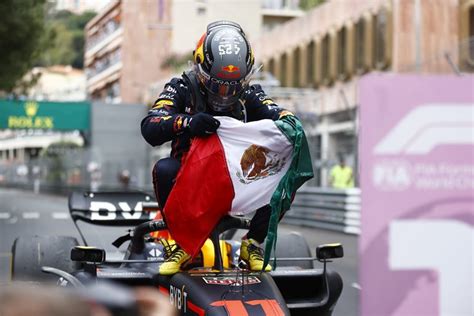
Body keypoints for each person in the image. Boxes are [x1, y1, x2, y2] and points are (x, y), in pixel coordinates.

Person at [141, 20, 295, 275]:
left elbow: (281, 115)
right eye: (218, 85)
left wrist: (290, 123)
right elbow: (150, 125)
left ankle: (253, 243)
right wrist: (187, 122)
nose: (224, 94)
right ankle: (181, 243)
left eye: (231, 87)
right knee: (164, 168)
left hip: (238, 183)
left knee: (287, 169)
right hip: (191, 186)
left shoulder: (250, 94)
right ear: (200, 68)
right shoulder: (181, 88)